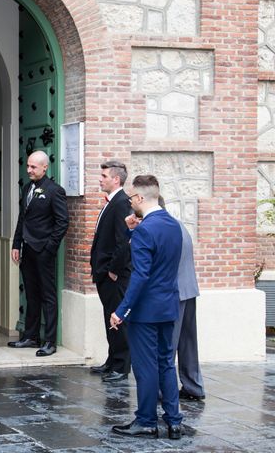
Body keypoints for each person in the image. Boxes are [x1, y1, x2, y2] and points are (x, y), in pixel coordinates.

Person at [110, 175, 183, 440]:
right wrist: (132, 231)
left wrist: (121, 310)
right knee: (166, 363)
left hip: (146, 311)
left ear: (140, 198)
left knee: (145, 367)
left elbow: (141, 275)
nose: (130, 203)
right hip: (169, 306)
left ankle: (146, 421)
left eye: (131, 198)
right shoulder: (174, 225)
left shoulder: (145, 230)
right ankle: (174, 421)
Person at [9, 150, 69, 357]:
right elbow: (22, 219)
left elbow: (62, 222)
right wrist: (16, 244)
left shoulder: (54, 191)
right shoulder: (27, 188)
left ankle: (50, 341)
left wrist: (49, 247)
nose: (29, 170)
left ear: (45, 167)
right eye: (28, 166)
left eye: (33, 167)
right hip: (27, 248)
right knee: (31, 294)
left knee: (48, 295)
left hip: (43, 250)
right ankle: (30, 336)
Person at [157, 197, 205, 401]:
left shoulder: (164, 228)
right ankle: (193, 386)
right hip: (188, 289)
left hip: (173, 293)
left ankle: (163, 390)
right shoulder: (178, 224)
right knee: (188, 343)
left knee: (167, 344)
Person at [89, 161, 132, 383]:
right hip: (104, 273)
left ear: (116, 179)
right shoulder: (111, 202)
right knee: (109, 316)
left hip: (113, 275)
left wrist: (113, 270)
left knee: (117, 318)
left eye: (104, 175)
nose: (100, 178)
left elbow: (124, 241)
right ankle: (111, 360)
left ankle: (121, 366)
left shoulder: (123, 203)